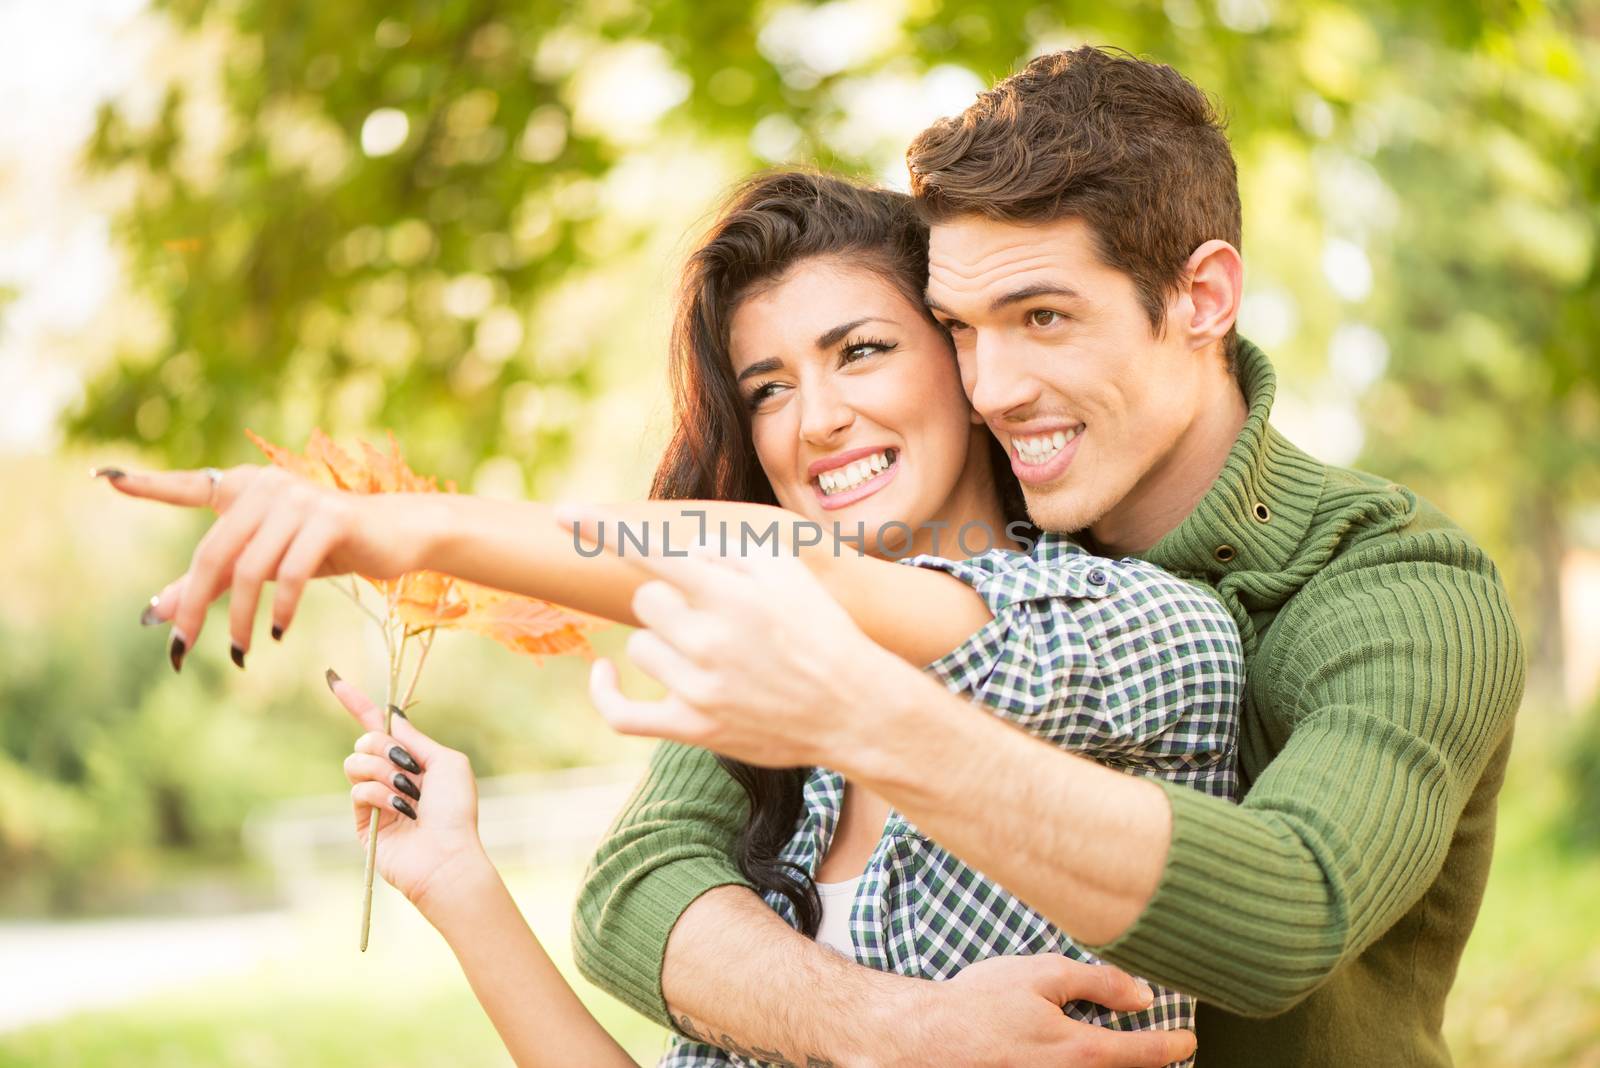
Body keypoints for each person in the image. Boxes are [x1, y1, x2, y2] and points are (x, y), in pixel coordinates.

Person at [100, 170, 1222, 1067]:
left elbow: (787, 567)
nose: (816, 420)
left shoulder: (1136, 632)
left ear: (963, 361)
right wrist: (459, 885)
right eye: (768, 387)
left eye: (861, 351)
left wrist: (410, 528)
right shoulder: (793, 762)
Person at [572, 47, 1526, 1068]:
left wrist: (863, 713)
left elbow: (1290, 911)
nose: (991, 389)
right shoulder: (969, 549)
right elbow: (638, 878)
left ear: (1201, 298)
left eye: (1043, 318)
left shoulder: (1393, 583)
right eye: (960, 332)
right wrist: (890, 1030)